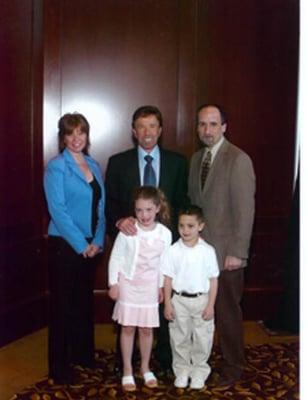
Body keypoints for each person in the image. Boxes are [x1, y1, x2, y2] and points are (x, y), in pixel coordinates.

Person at [105, 105, 189, 374]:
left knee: (163, 306)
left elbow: (182, 202)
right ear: (133, 132)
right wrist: (119, 221)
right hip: (132, 250)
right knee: (128, 314)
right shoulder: (118, 162)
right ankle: (126, 363)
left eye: (152, 126)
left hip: (165, 249)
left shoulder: (177, 162)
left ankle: (162, 360)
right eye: (141, 126)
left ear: (160, 130)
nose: (147, 132)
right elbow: (110, 205)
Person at [188, 104, 256, 386]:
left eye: (213, 124)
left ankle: (233, 368)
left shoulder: (238, 160)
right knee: (202, 314)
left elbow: (245, 210)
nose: (207, 130)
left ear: (224, 127)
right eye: (203, 124)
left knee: (227, 313)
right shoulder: (195, 159)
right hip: (200, 254)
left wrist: (238, 253)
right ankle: (203, 361)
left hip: (227, 256)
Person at [44, 113, 106, 384]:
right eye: (70, 133)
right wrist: (81, 244)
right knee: (63, 306)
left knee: (83, 304)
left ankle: (83, 355)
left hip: (91, 246)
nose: (76, 138)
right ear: (63, 138)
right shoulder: (57, 167)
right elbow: (58, 210)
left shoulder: (94, 164)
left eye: (81, 132)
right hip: (66, 246)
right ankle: (60, 366)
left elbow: (101, 207)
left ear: (87, 135)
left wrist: (98, 241)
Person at [108, 186, 172, 392]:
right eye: (139, 210)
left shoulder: (165, 233)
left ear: (157, 209)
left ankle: (145, 367)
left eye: (148, 210)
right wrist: (113, 283)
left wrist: (162, 286)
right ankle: (127, 369)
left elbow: (165, 263)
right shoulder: (128, 230)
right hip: (128, 284)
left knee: (146, 329)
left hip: (150, 287)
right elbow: (116, 257)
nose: (144, 215)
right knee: (127, 328)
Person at [163, 205, 219, 390]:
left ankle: (199, 371)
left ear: (200, 226)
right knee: (179, 337)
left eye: (190, 226)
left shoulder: (208, 251)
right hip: (179, 300)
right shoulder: (173, 250)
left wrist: (211, 305)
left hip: (202, 300)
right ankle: (182, 370)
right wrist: (168, 304)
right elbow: (168, 279)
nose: (185, 230)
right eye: (181, 226)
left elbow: (213, 280)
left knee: (203, 338)